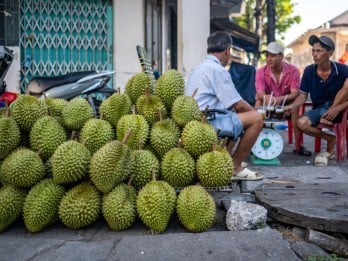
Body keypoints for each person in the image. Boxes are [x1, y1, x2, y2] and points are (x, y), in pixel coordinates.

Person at [185, 31, 264, 181]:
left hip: (194, 123)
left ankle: (225, 161)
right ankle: (235, 167)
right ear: (228, 50)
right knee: (255, 119)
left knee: (234, 118)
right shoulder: (217, 70)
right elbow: (239, 104)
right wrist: (255, 112)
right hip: (206, 123)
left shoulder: (199, 68)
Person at [284, 35, 348, 166]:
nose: (315, 54)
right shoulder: (309, 71)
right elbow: (302, 96)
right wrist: (292, 106)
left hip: (342, 109)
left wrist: (337, 108)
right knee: (300, 123)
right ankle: (330, 139)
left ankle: (332, 147)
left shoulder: (343, 70)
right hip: (319, 110)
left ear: (330, 53)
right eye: (313, 51)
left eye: (319, 51)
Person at [255, 42, 307, 155]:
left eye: (273, 55)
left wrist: (280, 99)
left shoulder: (293, 70)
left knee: (295, 105)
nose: (269, 59)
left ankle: (298, 146)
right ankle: (255, 140)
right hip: (268, 104)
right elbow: (260, 93)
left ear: (281, 56)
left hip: (287, 104)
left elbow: (295, 93)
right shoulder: (260, 72)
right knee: (258, 102)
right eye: (267, 55)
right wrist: (266, 97)